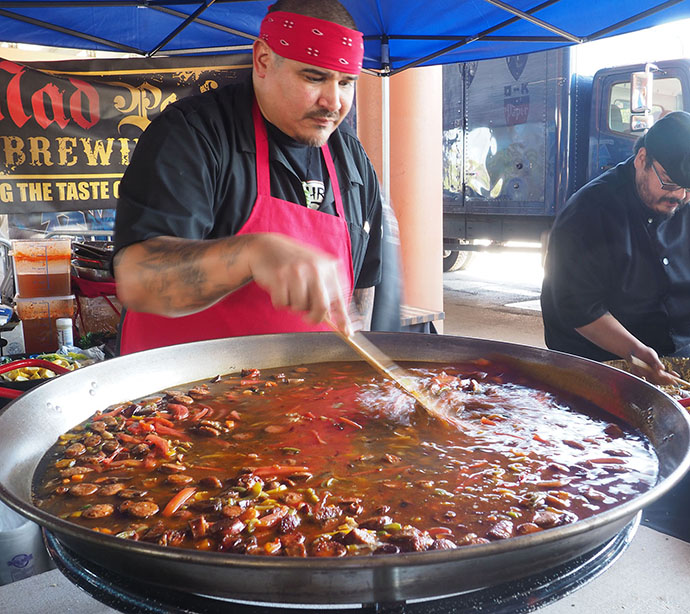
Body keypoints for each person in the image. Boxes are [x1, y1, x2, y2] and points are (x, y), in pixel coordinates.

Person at [112, 0, 383, 354]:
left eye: (346, 83)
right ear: (263, 61)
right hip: (175, 397)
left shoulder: (352, 158)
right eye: (314, 77)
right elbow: (137, 280)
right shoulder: (193, 134)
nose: (333, 101)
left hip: (301, 400)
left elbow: (362, 289)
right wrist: (252, 253)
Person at [541, 111, 690, 385]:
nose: (679, 196)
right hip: (600, 360)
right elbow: (578, 308)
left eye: (688, 188)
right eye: (669, 180)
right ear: (642, 159)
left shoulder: (683, 200)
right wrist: (633, 353)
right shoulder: (589, 212)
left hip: (677, 350)